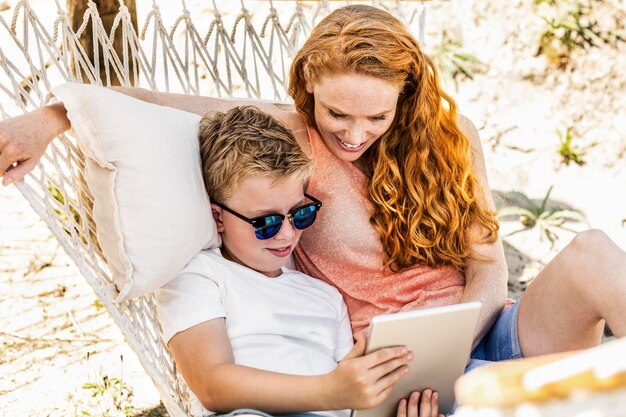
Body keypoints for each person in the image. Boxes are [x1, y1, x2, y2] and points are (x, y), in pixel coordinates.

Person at [1, 1, 625, 388]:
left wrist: (460, 339)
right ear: (306, 86)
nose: (354, 135)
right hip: (391, 369)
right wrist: (49, 119)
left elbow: (487, 268)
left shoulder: (450, 136)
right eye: (337, 113)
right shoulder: (289, 136)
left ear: (405, 98)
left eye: (376, 118)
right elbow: (144, 103)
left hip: (485, 329)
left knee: (594, 251)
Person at [160, 105, 442, 417]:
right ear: (219, 217)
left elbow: (349, 398)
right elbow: (212, 385)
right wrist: (329, 391)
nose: (286, 235)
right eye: (265, 222)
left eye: (300, 214)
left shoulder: (325, 297)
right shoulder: (200, 276)